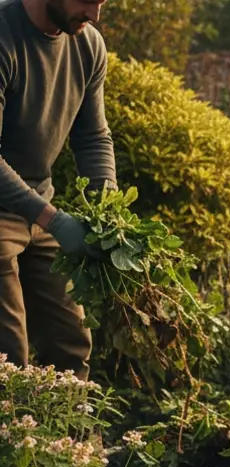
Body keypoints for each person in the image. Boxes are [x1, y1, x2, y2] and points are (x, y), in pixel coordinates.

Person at [0, 0, 114, 381]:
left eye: (101, 3)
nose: (94, 15)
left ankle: (69, 439)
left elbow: (93, 137)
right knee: (9, 355)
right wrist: (53, 219)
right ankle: (15, 439)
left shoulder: (88, 45)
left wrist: (107, 213)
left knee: (71, 342)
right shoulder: (4, 36)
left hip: (37, 208)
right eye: (86, 1)